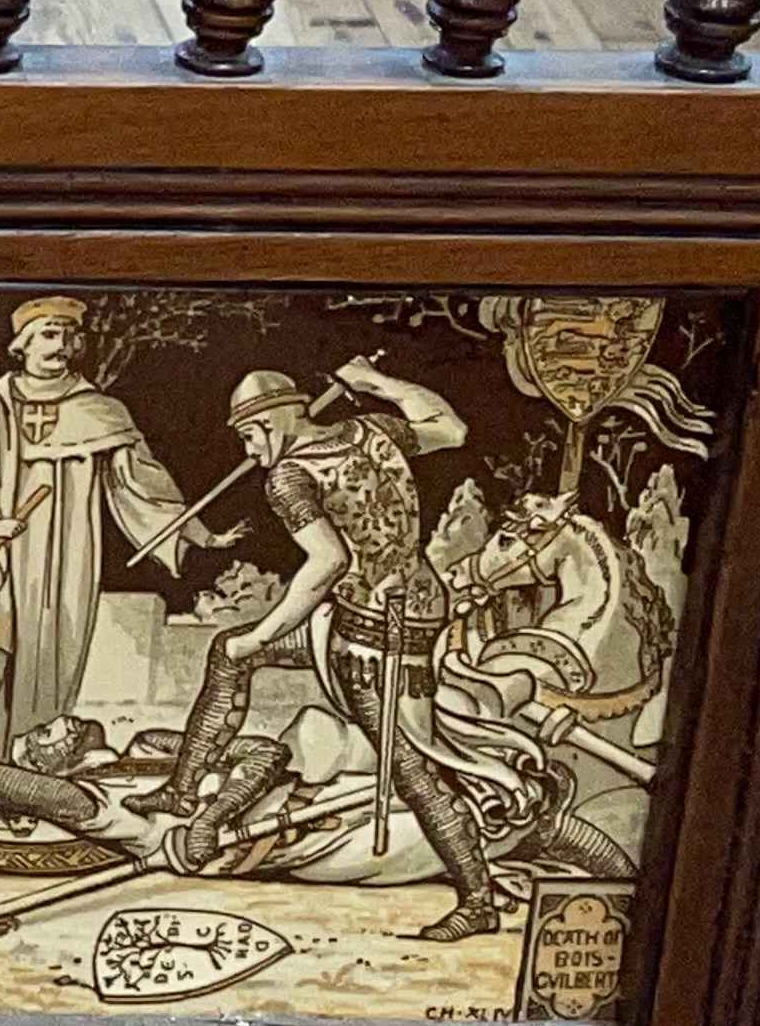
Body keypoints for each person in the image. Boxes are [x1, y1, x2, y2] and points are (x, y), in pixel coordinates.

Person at [162, 355, 533, 941]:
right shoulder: (374, 430)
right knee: (229, 650)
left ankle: (478, 899)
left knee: (410, 767)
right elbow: (448, 427)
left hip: (375, 629)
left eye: (251, 437)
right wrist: (378, 384)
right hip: (402, 606)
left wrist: (263, 632)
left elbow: (327, 563)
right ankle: (181, 792)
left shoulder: (288, 478)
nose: (252, 453)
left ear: (275, 422)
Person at [0, 296, 218, 763]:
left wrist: (199, 534)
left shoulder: (99, 410)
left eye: (68, 336)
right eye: (49, 333)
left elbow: (142, 483)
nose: (61, 345)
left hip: (65, 568)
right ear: (21, 344)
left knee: (46, 690)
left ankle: (16, 778)